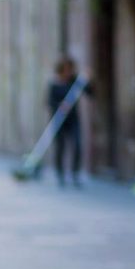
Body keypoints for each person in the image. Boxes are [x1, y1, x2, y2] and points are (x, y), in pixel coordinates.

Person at [46, 57, 91, 187]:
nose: (68, 72)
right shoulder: (54, 84)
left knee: (77, 144)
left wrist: (88, 79)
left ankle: (75, 173)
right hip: (58, 119)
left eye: (70, 69)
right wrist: (60, 105)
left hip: (73, 119)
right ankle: (60, 173)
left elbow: (89, 91)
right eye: (65, 69)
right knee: (60, 147)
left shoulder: (75, 82)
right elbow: (49, 102)